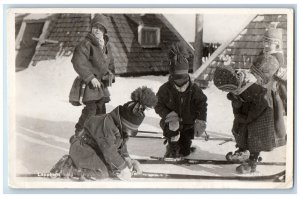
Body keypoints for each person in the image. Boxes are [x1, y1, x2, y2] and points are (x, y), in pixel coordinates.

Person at [51, 86, 158, 181]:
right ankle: (69, 166)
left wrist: (128, 160)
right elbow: (109, 150)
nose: (128, 133)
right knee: (102, 172)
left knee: (112, 168)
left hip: (95, 149)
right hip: (82, 148)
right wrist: (123, 167)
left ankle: (78, 164)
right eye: (128, 129)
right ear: (122, 122)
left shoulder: (118, 126)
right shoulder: (106, 125)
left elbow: (120, 145)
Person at [213, 66, 286, 174]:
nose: (224, 91)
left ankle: (252, 161)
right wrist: (238, 112)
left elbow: (261, 103)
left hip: (261, 114)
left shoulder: (250, 87)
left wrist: (247, 118)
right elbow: (238, 101)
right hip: (247, 113)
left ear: (230, 83)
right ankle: (243, 151)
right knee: (239, 130)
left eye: (224, 88)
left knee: (255, 137)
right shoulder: (236, 86)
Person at [155, 42, 208, 158]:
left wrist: (201, 120)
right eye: (177, 78)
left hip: (188, 124)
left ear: (187, 75)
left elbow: (202, 103)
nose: (180, 82)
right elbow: (157, 105)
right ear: (172, 76)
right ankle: (172, 146)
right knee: (172, 130)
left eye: (183, 78)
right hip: (171, 123)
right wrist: (168, 114)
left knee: (185, 152)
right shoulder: (165, 89)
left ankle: (184, 146)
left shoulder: (194, 89)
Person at [68, 14, 115, 136]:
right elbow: (78, 62)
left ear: (105, 31)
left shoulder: (107, 46)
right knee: (91, 110)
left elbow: (110, 63)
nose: (97, 30)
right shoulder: (86, 44)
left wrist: (110, 74)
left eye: (101, 28)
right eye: (95, 27)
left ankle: (97, 135)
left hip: (101, 85)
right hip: (89, 84)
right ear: (91, 28)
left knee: (101, 110)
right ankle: (79, 133)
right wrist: (90, 77)